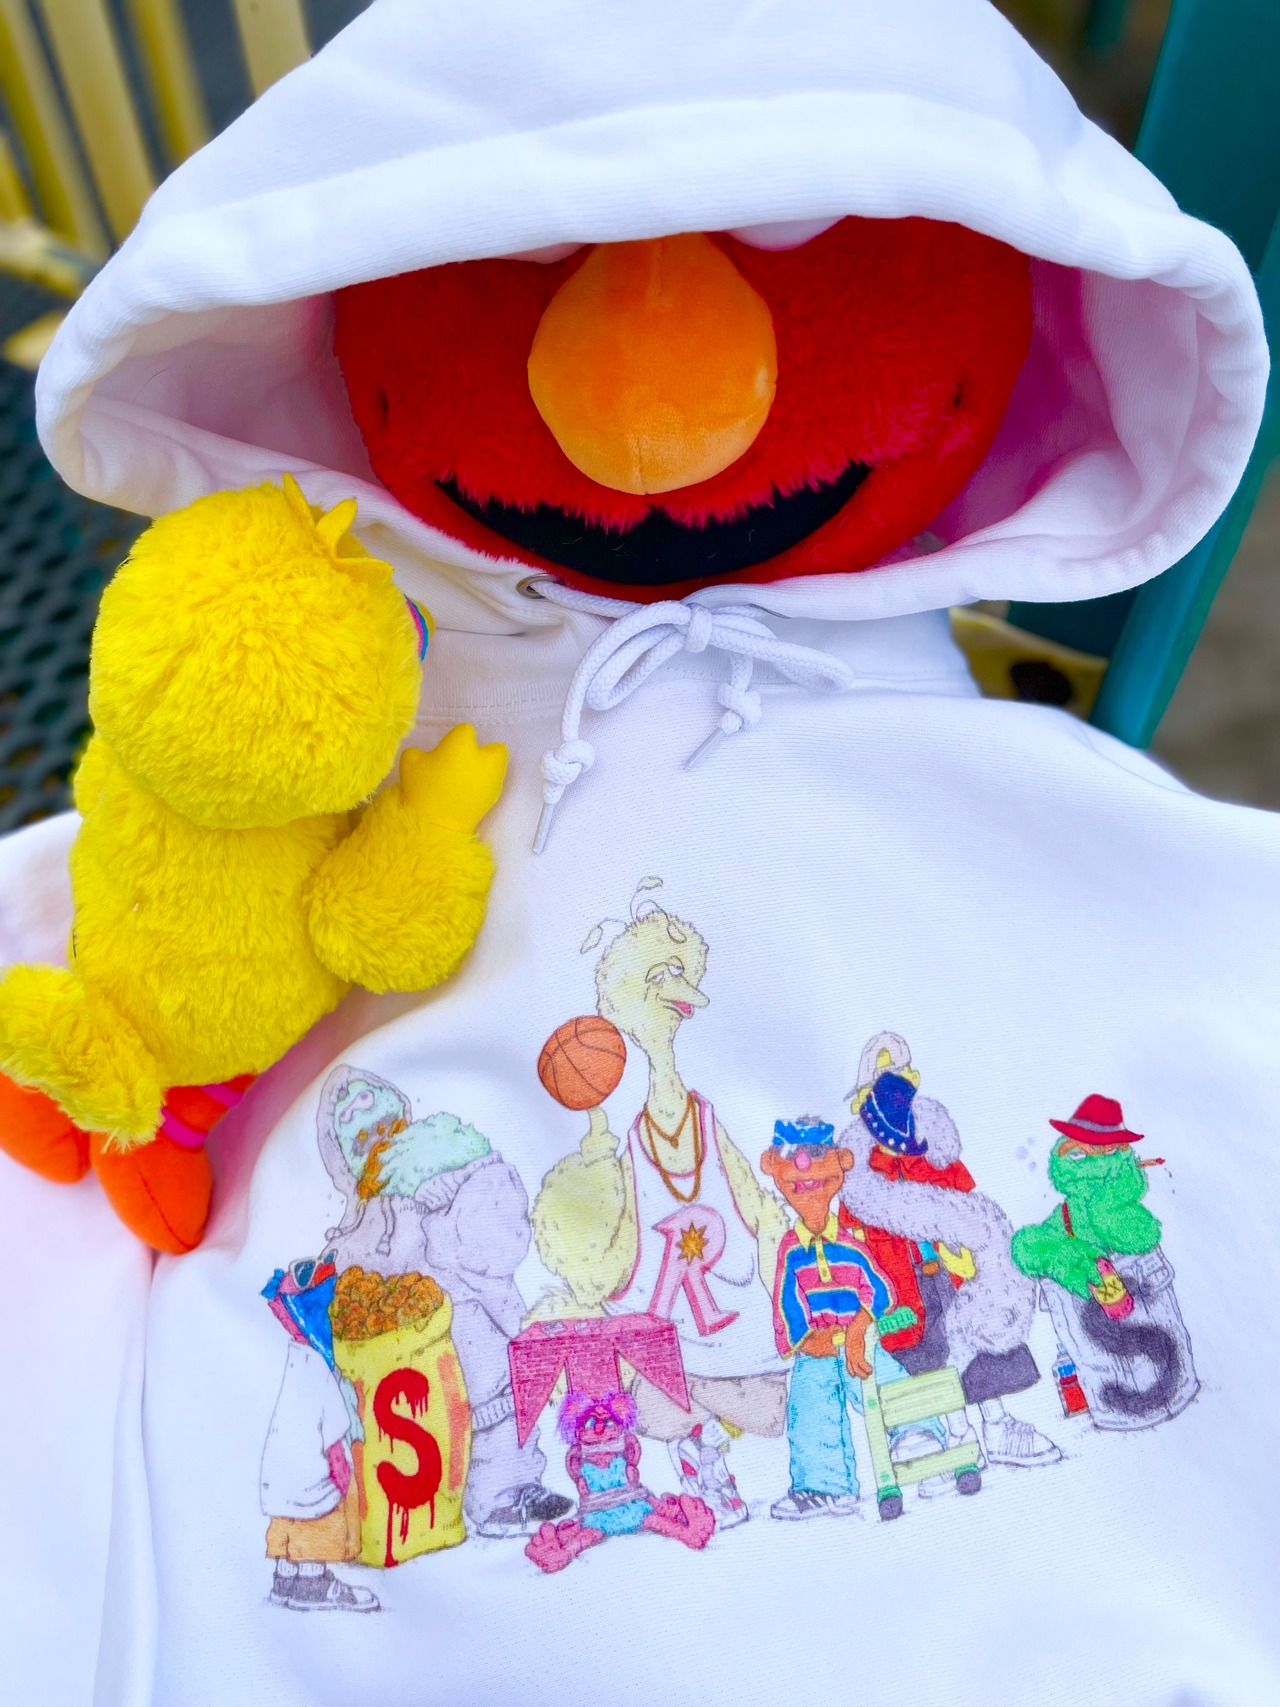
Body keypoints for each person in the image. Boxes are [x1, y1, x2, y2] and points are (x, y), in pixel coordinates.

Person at [532, 883, 792, 1528]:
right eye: (659, 976)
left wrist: (776, 1238)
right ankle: (696, 1454)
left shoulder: (704, 1112)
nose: (679, 991)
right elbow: (595, 1223)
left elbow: (751, 1199)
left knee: (768, 1398)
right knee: (659, 1396)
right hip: (659, 1300)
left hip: (726, 1292)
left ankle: (710, 1444)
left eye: (680, 972)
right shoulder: (614, 1121)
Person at [318, 1066, 570, 1537]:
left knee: (497, 1389)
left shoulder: (441, 1168)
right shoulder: (363, 1221)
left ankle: (509, 1490)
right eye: (364, 1140)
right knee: (426, 1424)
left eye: (386, 1125)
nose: (380, 1142)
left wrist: (460, 1186)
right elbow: (348, 1271)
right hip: (406, 1347)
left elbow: (492, 1231)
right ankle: (423, 1512)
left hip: (469, 1314)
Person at [761, 1116, 946, 1519]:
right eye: (792, 1157)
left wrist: (860, 1326)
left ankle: (921, 1436)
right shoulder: (791, 1250)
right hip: (817, 1348)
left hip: (860, 1339)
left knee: (884, 1374)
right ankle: (822, 1485)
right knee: (810, 1399)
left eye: (818, 1155)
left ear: (841, 1162)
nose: (805, 1167)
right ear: (772, 1165)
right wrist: (805, 1340)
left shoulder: (850, 1240)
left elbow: (879, 1289)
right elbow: (787, 1302)